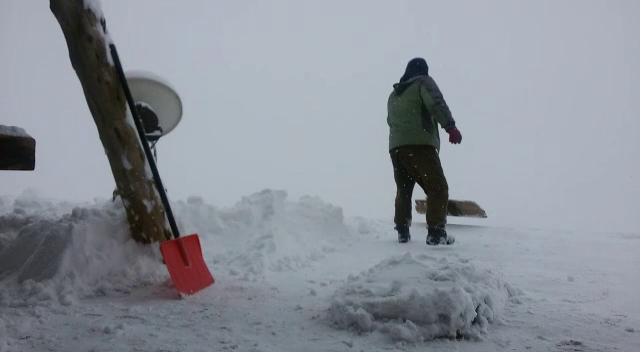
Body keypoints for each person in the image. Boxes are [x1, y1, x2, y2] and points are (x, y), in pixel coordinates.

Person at [387, 57, 462, 245]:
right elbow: (435, 102)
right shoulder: (423, 82)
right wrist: (450, 126)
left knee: (404, 189)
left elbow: (390, 121)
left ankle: (402, 230)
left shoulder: (395, 94)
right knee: (437, 187)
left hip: (397, 148)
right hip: (419, 145)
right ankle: (436, 232)